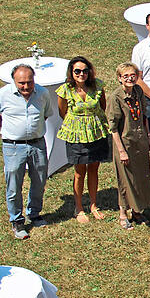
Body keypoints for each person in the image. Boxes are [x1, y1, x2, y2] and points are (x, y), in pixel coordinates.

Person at [0, 64, 54, 239]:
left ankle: (35, 213)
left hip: (37, 144)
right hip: (13, 146)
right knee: (14, 185)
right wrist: (8, 128)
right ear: (14, 81)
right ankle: (17, 221)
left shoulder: (42, 94)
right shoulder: (3, 95)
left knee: (39, 181)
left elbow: (46, 114)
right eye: (21, 83)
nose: (26, 87)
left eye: (29, 82)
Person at [56, 56, 110, 224]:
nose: (81, 74)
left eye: (85, 71)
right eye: (77, 71)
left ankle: (94, 205)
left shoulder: (98, 86)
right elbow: (62, 111)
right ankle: (78, 208)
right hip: (77, 134)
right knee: (80, 172)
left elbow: (103, 106)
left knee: (94, 169)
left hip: (96, 132)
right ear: (71, 73)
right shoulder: (65, 90)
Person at [106, 63, 150, 230]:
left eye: (132, 75)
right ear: (119, 78)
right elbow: (113, 128)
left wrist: (148, 137)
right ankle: (122, 214)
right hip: (125, 144)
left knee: (140, 177)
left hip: (139, 141)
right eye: (125, 76)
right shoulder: (116, 98)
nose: (130, 78)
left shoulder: (139, 92)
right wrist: (121, 151)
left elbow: (144, 116)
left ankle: (137, 210)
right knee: (125, 179)